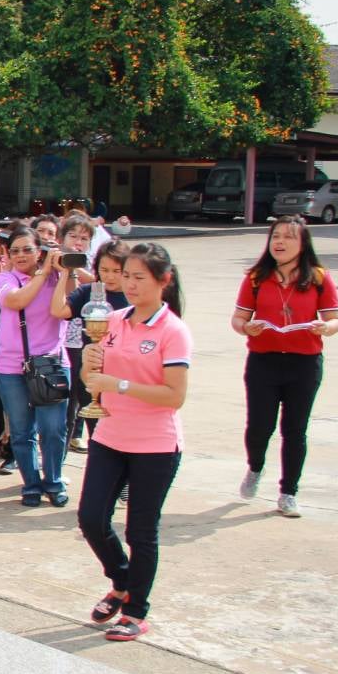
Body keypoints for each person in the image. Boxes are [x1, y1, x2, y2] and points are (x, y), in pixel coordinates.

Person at [77, 243, 190, 642]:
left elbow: (174, 395)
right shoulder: (113, 320)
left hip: (154, 444)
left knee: (141, 530)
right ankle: (121, 580)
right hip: (110, 435)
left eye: (139, 277)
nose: (130, 284)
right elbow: (91, 381)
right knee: (91, 518)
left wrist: (119, 385)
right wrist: (89, 365)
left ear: (164, 281)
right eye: (126, 276)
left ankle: (136, 609)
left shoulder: (173, 331)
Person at [232, 216, 338, 517]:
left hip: (304, 364)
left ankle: (288, 492)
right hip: (263, 362)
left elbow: (335, 319)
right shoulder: (256, 277)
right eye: (275, 236)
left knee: (295, 430)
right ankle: (255, 468)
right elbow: (238, 319)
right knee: (259, 427)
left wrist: (326, 327)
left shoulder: (319, 277)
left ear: (303, 243)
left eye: (288, 237)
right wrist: (247, 328)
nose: (279, 242)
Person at [0, 224, 71, 507]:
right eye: (15, 251)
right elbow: (16, 301)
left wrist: (65, 267)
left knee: (53, 428)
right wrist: (42, 273)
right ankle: (31, 485)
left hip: (50, 364)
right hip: (11, 367)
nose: (21, 255)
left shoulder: (54, 276)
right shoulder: (5, 279)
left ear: (40, 251)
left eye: (28, 249)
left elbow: (77, 292)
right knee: (21, 430)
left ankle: (54, 480)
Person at [53, 240, 129, 447]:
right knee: (99, 435)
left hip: (125, 376)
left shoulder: (135, 296)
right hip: (91, 372)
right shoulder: (88, 292)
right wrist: (64, 274)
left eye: (117, 270)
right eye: (104, 270)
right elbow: (59, 311)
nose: (110, 276)